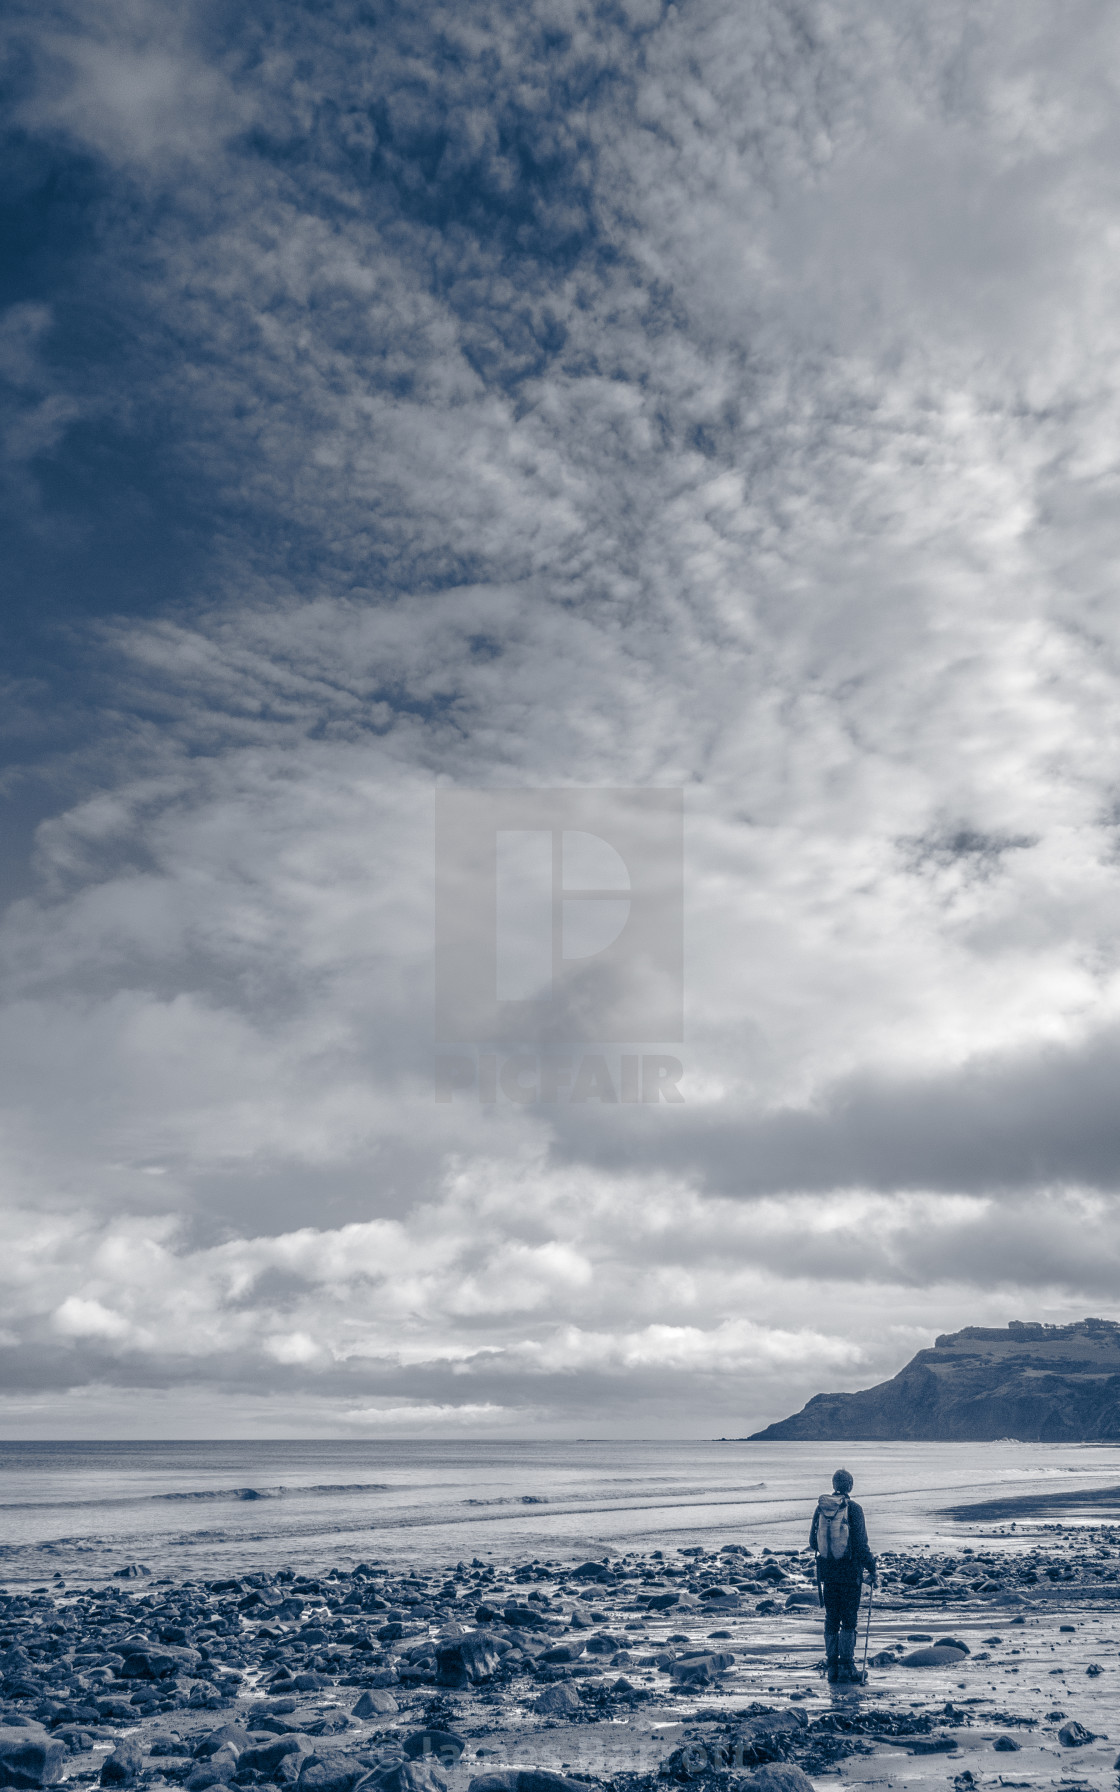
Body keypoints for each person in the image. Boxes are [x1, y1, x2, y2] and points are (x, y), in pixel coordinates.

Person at [809, 1467, 876, 1685]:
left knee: (831, 1618)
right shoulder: (853, 1509)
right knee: (848, 1619)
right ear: (850, 1486)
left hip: (827, 1574)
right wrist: (872, 1568)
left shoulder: (821, 1509)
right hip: (850, 1573)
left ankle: (832, 1667)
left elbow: (812, 1542)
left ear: (834, 1484)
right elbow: (860, 1544)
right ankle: (847, 1667)